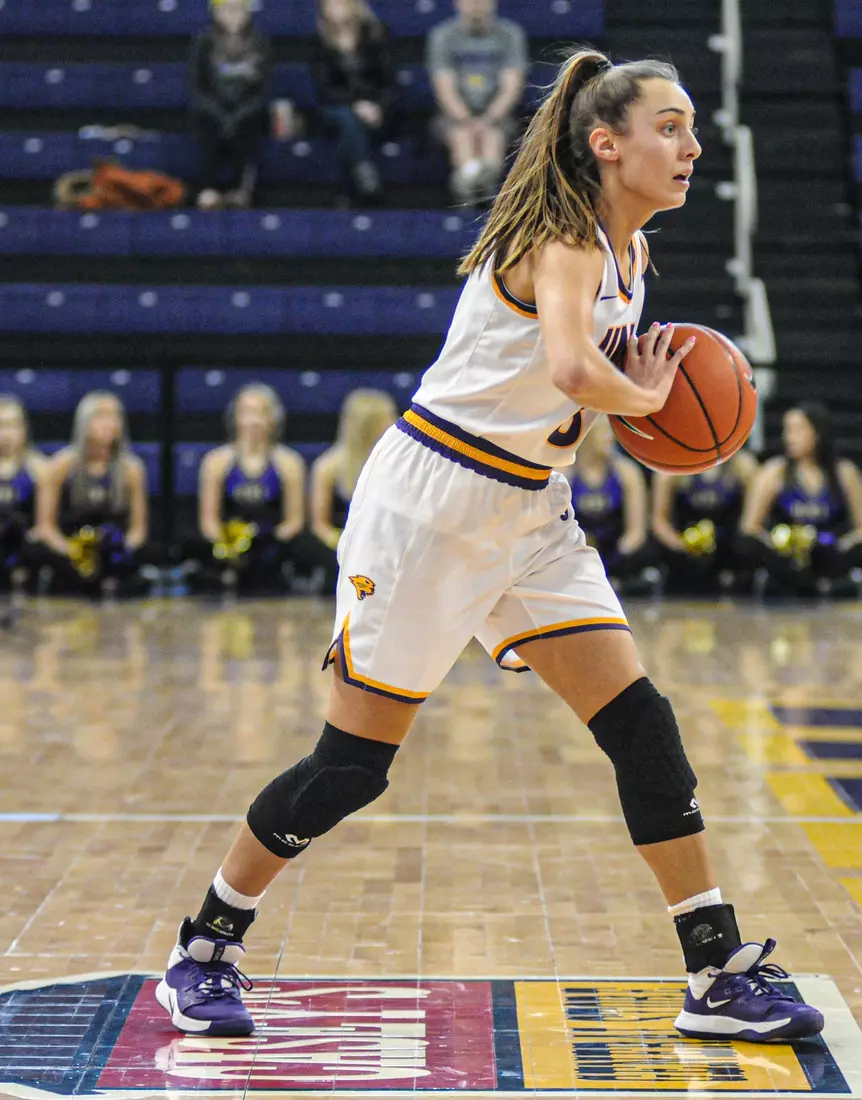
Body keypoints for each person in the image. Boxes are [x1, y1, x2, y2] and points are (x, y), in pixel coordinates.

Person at [154, 49, 824, 1046]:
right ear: (607, 142)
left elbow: (551, 395)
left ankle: (715, 967)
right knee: (351, 767)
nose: (692, 145)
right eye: (670, 126)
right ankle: (204, 945)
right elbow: (564, 364)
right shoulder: (564, 238)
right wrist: (645, 400)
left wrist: (628, 408)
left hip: (527, 513)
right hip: (428, 508)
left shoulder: (633, 257)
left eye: (692, 127)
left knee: (640, 724)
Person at [740, 403, 862, 597]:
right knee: (749, 546)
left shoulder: (845, 473)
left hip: (828, 551)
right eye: (787, 431)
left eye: (797, 430)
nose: (790, 438)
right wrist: (777, 545)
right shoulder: (773, 472)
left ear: (819, 433)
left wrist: (842, 545)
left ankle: (827, 581)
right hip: (786, 554)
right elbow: (750, 528)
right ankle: (806, 583)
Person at [186, 384, 307, 594]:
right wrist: (229, 548)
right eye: (247, 413)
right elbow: (208, 521)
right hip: (227, 547)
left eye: (261, 413)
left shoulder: (290, 463)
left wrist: (266, 543)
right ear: (235, 418)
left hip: (271, 548)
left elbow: (294, 521)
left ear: (274, 419)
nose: (254, 421)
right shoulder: (216, 462)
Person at [31, 392, 150, 596]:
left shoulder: (132, 469)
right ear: (83, 422)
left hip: (112, 551)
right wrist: (74, 552)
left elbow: (138, 530)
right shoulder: (61, 465)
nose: (109, 424)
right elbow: (46, 527)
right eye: (100, 416)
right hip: (71, 551)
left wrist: (121, 552)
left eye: (115, 417)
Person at [427, 0, 527, 203]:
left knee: (492, 137)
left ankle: (483, 191)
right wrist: (467, 119)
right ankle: (469, 195)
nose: (476, 5)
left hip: (497, 115)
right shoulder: (442, 36)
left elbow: (511, 86)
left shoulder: (510, 35)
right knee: (462, 136)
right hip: (454, 116)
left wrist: (488, 118)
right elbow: (445, 88)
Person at [307, 389, 398, 588]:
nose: (395, 423)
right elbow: (320, 525)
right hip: (341, 547)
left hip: (382, 547)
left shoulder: (396, 466)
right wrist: (345, 545)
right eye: (387, 418)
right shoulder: (328, 467)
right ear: (367, 426)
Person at [312, 0, 396, 206]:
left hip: (375, 110)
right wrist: (356, 105)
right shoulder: (320, 40)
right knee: (347, 119)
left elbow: (389, 81)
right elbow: (324, 89)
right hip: (334, 109)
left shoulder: (376, 35)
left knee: (349, 131)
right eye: (330, 5)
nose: (336, 9)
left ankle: (345, 192)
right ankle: (365, 176)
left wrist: (377, 106)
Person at [189, 0, 271, 210]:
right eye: (228, 10)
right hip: (212, 109)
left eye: (239, 10)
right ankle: (208, 187)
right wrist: (219, 113)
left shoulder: (259, 41)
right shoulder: (204, 42)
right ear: (216, 13)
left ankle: (241, 189)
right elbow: (197, 87)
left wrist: (239, 114)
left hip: (247, 110)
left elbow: (262, 89)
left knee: (249, 126)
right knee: (206, 124)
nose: (234, 16)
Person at [567, 419, 655, 593]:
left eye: (612, 432)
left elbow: (636, 533)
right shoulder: (565, 472)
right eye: (604, 432)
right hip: (574, 557)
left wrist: (611, 560)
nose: (610, 438)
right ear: (586, 434)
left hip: (617, 555)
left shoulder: (627, 472)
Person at [650, 455, 758, 595]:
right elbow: (658, 521)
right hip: (684, 546)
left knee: (748, 547)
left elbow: (750, 523)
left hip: (726, 548)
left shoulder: (743, 466)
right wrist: (679, 545)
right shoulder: (670, 468)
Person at [0, 396, 43, 594]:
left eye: (10, 425)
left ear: (23, 429)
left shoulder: (40, 468)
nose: (4, 434)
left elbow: (45, 526)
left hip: (26, 550)